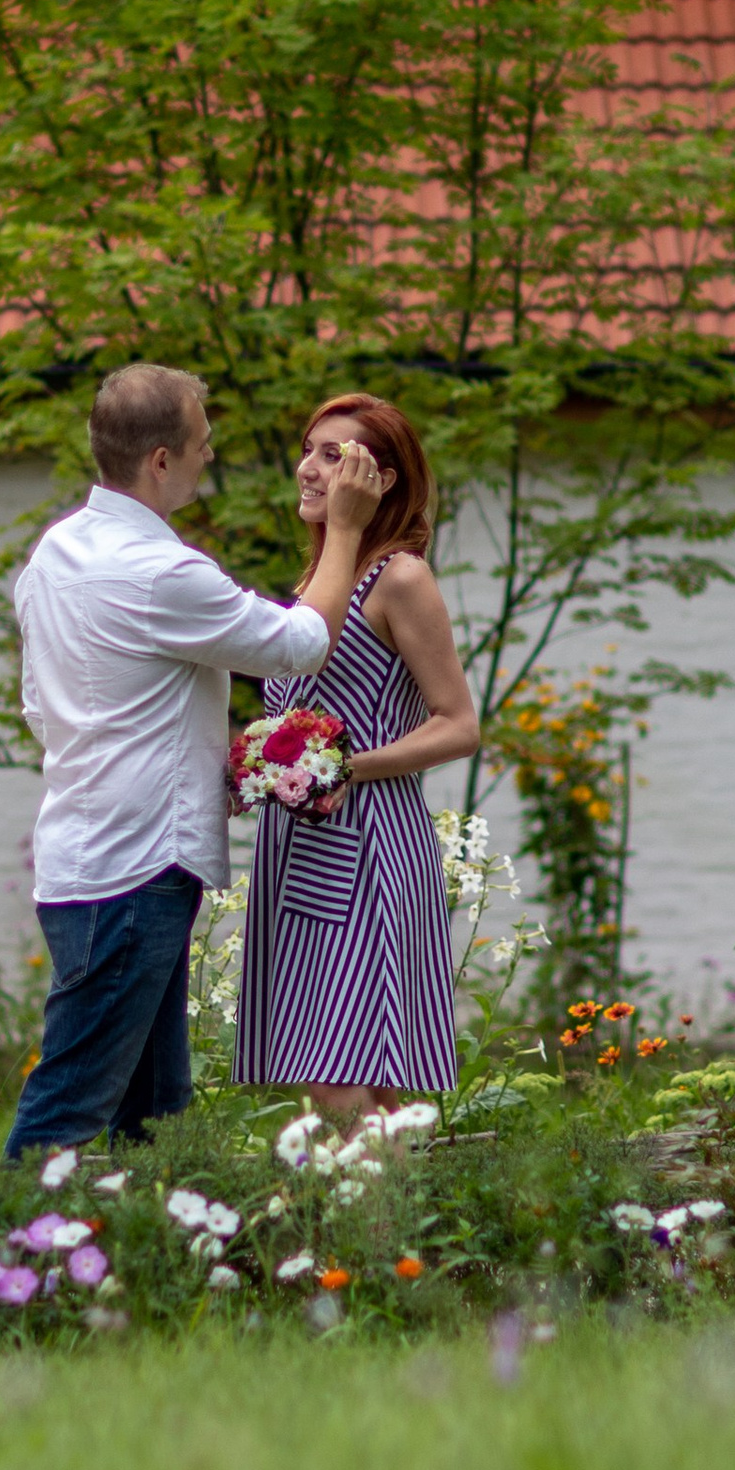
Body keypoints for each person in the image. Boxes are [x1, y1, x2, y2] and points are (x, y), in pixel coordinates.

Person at [7, 362, 388, 1155]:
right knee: (68, 1111)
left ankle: (126, 1263)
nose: (210, 457)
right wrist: (347, 529)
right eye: (202, 445)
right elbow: (301, 645)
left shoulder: (55, 553)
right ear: (160, 461)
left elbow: (41, 709)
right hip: (133, 871)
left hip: (83, 854)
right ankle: (3, 1262)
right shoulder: (163, 573)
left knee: (150, 1113)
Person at [235, 392, 480, 1123]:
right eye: (309, 450)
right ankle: (393, 1235)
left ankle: (365, 1234)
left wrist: (343, 763)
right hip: (302, 843)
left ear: (384, 480)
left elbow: (460, 724)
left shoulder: (400, 578)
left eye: (335, 455)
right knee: (359, 1077)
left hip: (367, 838)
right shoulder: (316, 585)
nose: (311, 469)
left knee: (338, 1070)